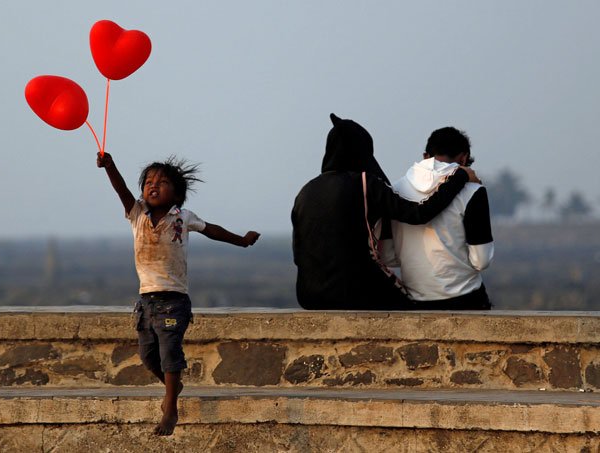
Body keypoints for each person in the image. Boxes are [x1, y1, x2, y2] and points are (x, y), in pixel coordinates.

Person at [97, 152, 260, 436]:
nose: (153, 186)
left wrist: (242, 241)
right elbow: (122, 190)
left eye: (161, 182)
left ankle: (170, 408)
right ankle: (174, 385)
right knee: (149, 356)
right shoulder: (136, 214)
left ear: (177, 193)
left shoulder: (182, 217)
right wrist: (110, 167)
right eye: (148, 181)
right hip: (146, 300)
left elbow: (212, 230)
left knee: (170, 350)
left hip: (174, 300)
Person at [291, 114, 479, 310]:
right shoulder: (364, 183)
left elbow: (298, 254)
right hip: (353, 293)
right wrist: (458, 177)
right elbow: (419, 214)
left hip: (308, 296)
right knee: (416, 310)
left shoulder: (305, 192)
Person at [391, 127, 494, 309]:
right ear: (464, 158)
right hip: (465, 299)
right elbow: (481, 260)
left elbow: (387, 256)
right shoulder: (473, 192)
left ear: (425, 156)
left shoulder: (395, 189)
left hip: (414, 300)